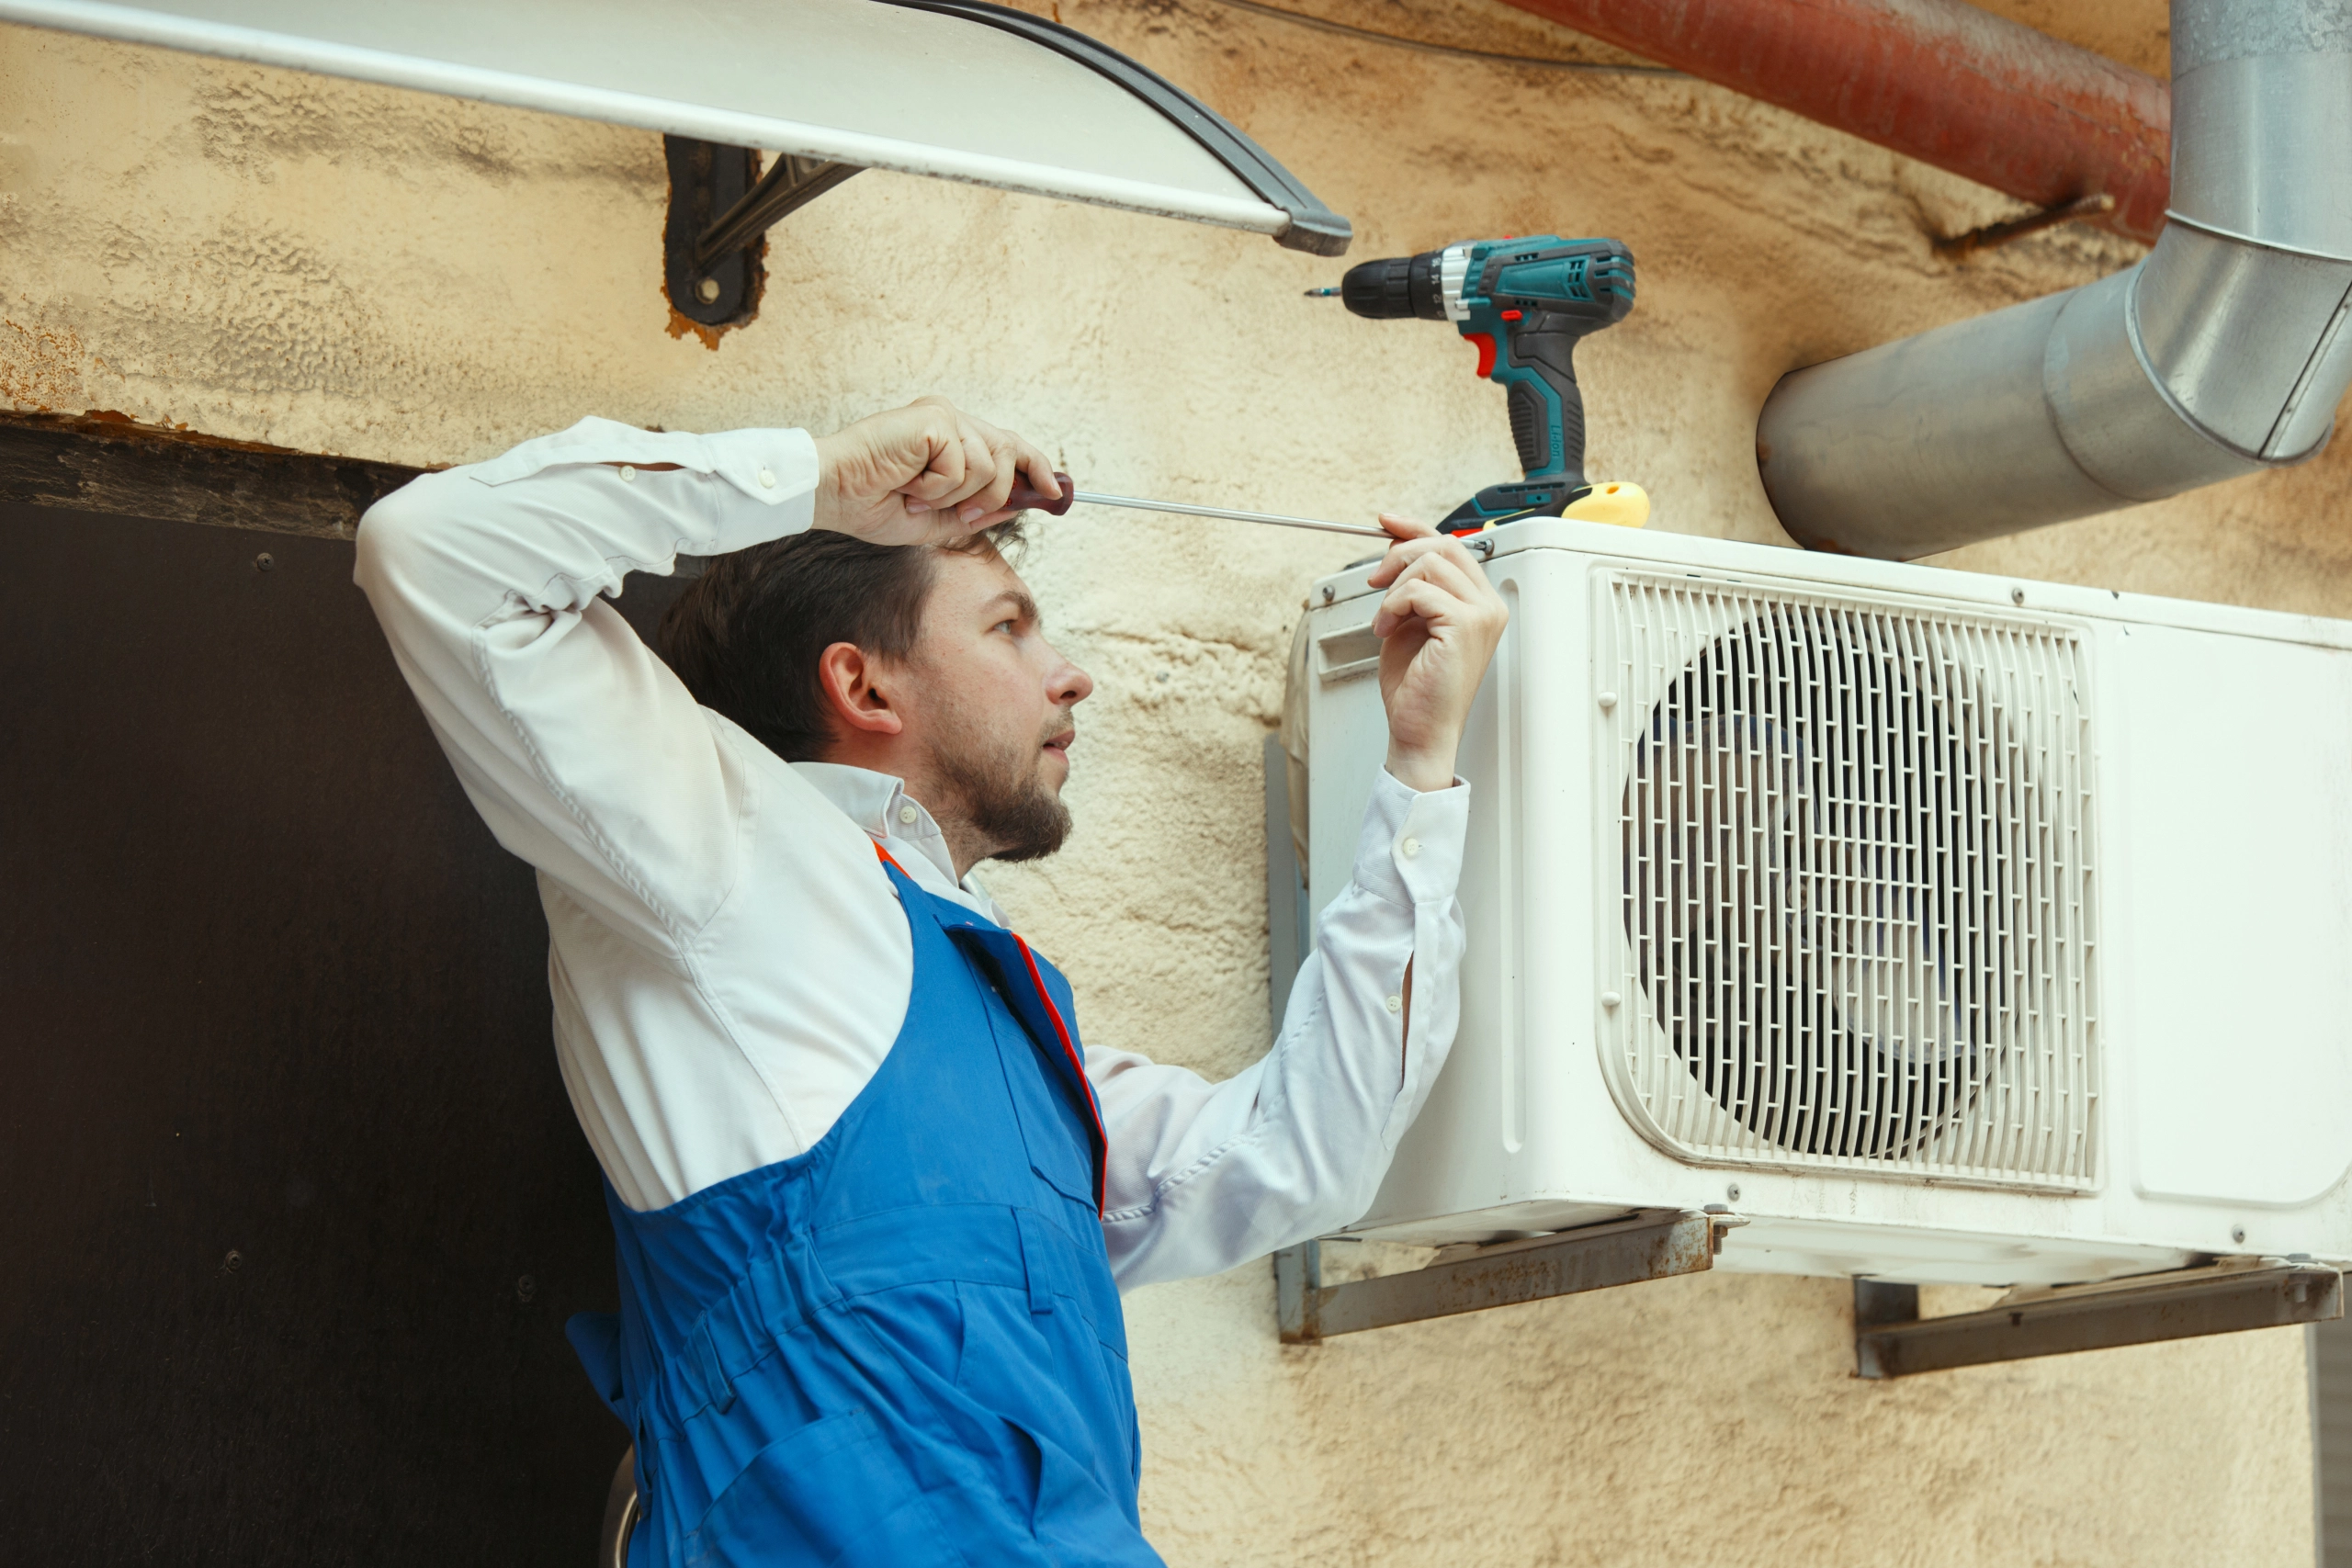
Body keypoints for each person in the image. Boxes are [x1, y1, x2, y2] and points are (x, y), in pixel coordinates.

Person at [354, 396, 1506, 1567]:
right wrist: (817, 479)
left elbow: (1301, 1153)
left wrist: (1416, 770)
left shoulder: (1012, 1021)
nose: (1072, 679)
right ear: (863, 689)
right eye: (1010, 627)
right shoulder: (726, 849)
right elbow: (431, 551)